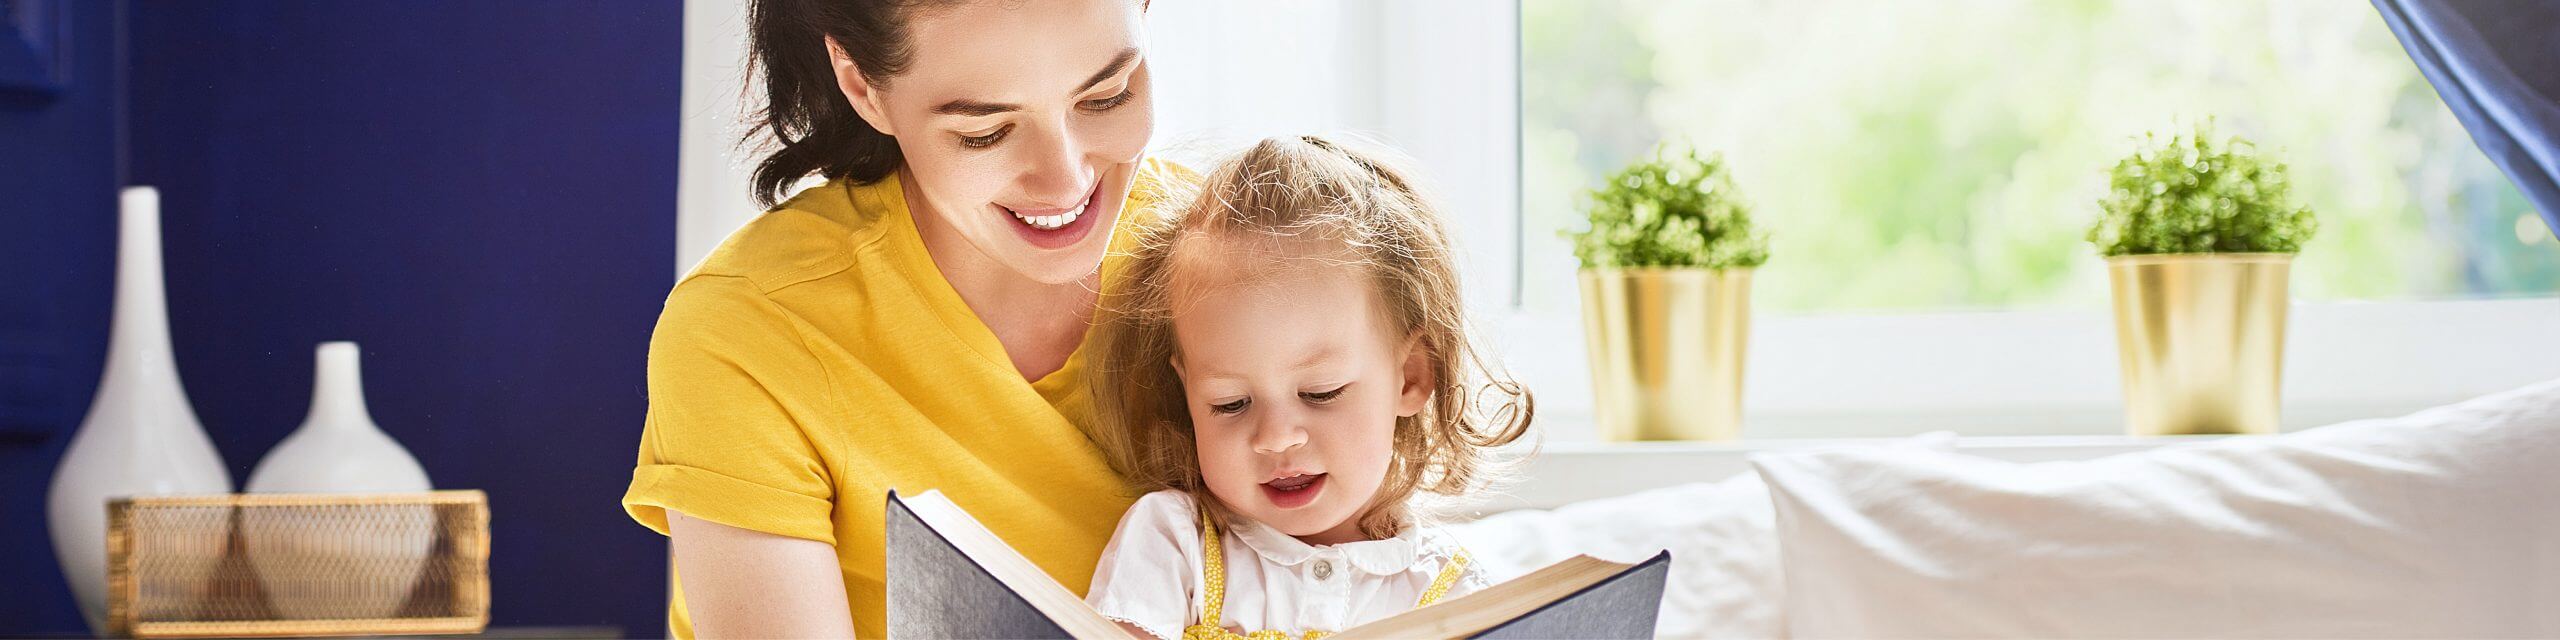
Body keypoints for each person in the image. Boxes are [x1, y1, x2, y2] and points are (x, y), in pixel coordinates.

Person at [617, 0, 1181, 636]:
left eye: (1106, 96)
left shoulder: (1253, 261)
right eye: (984, 132)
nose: (1064, 179)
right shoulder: (754, 326)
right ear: (862, 85)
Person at [1082, 136, 1535, 640]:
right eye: (1229, 404)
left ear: (1411, 377)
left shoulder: (1455, 595)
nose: (1276, 437)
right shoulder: (1174, 541)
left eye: (1320, 393)